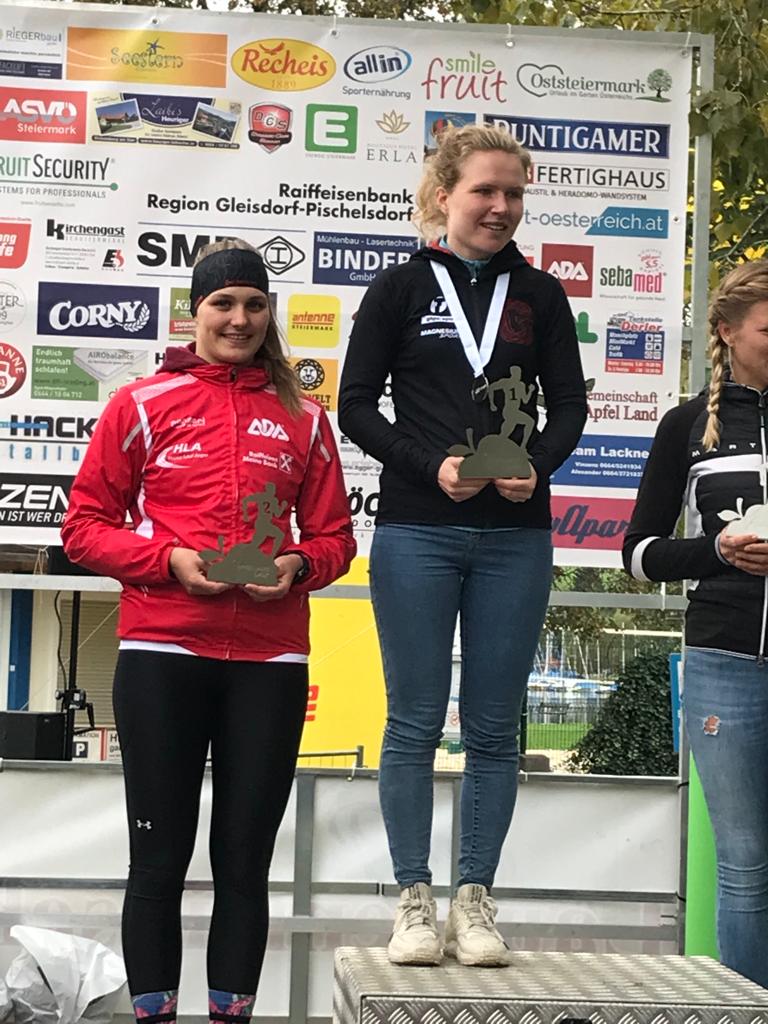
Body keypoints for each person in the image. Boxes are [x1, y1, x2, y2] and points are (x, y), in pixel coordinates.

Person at [61, 239, 355, 1024]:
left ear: (269, 315)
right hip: (162, 649)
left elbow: (335, 539)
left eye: (255, 304)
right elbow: (84, 528)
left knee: (244, 865)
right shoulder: (141, 404)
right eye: (223, 304)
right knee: (157, 861)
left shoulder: (304, 417)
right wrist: (169, 561)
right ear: (195, 314)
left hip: (269, 659)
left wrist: (296, 564)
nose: (240, 319)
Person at [338, 124, 587, 966]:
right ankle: (414, 901)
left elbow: (570, 407)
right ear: (444, 194)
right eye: (485, 190)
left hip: (515, 535)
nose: (501, 207)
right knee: (413, 721)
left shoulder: (541, 295)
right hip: (417, 528)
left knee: (493, 727)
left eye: (514, 193)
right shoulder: (399, 287)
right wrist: (427, 465)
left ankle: (474, 900)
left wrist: (537, 467)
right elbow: (356, 404)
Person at [623, 259, 768, 989]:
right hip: (724, 662)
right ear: (727, 332)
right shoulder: (685, 425)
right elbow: (639, 555)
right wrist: (718, 550)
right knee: (745, 860)